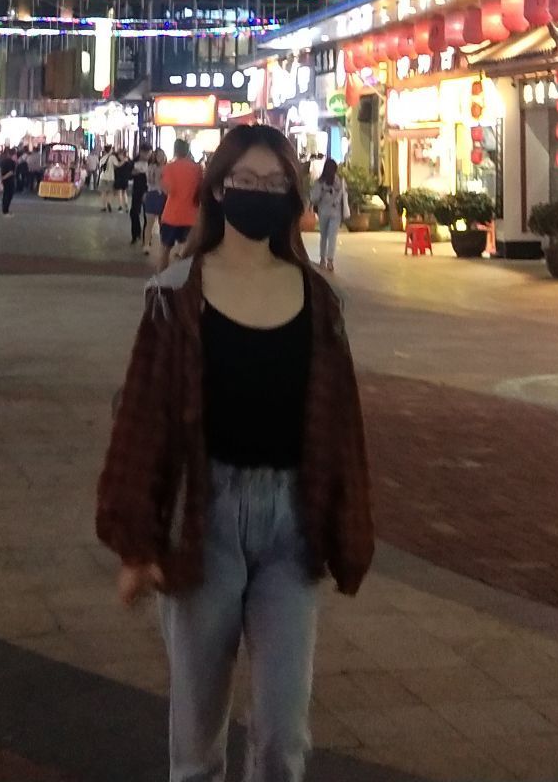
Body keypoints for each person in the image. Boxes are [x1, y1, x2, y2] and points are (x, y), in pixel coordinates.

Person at [96, 124, 375, 782]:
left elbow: (340, 425)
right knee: (197, 740)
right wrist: (136, 542)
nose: (259, 193)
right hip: (205, 516)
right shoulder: (175, 295)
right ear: (218, 190)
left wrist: (348, 526)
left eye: (275, 184)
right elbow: (144, 418)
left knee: (283, 735)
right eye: (245, 181)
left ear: (293, 196)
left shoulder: (320, 300)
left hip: (291, 524)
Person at [159, 139, 204, 260]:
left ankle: (162, 272)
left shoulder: (169, 168)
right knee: (187, 254)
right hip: (191, 216)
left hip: (172, 215)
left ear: (175, 150)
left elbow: (168, 190)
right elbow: (200, 190)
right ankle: (182, 271)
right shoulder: (197, 169)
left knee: (165, 251)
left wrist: (160, 181)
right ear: (187, 151)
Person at [311, 158, 349, 272]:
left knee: (327, 236)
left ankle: (326, 260)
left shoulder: (330, 182)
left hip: (328, 212)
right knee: (328, 236)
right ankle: (327, 259)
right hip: (329, 212)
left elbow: (314, 198)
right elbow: (315, 198)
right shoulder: (330, 182)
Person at [128, 143, 153, 247]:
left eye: (149, 153)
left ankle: (146, 238)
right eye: (145, 153)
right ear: (141, 152)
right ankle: (135, 234)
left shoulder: (152, 163)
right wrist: (133, 173)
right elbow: (128, 175)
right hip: (137, 190)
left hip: (149, 191)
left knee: (148, 215)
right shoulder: (134, 161)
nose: (147, 156)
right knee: (134, 213)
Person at [142, 148, 167, 250]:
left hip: (163, 196)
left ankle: (163, 245)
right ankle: (146, 244)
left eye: (162, 155)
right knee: (150, 223)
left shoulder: (167, 168)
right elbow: (151, 181)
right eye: (158, 156)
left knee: (163, 224)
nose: (161, 158)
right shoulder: (151, 168)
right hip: (153, 194)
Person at [0, 149, 18, 215]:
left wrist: (1, 178)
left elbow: (0, 170)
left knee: (5, 195)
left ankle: (5, 210)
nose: (16, 157)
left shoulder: (4, 161)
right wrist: (4, 177)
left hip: (5, 181)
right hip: (9, 180)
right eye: (15, 155)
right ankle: (6, 211)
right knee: (9, 196)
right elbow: (11, 172)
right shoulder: (12, 162)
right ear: (13, 155)